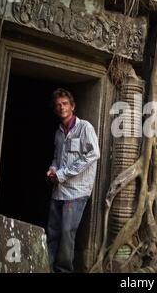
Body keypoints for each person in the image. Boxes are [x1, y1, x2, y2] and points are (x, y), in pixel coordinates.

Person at [46, 88, 100, 273]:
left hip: (76, 192)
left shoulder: (85, 127)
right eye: (58, 105)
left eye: (65, 103)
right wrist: (53, 170)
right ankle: (47, 267)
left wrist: (63, 174)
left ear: (73, 106)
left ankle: (63, 270)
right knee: (52, 233)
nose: (62, 107)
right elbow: (56, 157)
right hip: (58, 190)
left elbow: (94, 154)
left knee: (67, 233)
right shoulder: (59, 132)